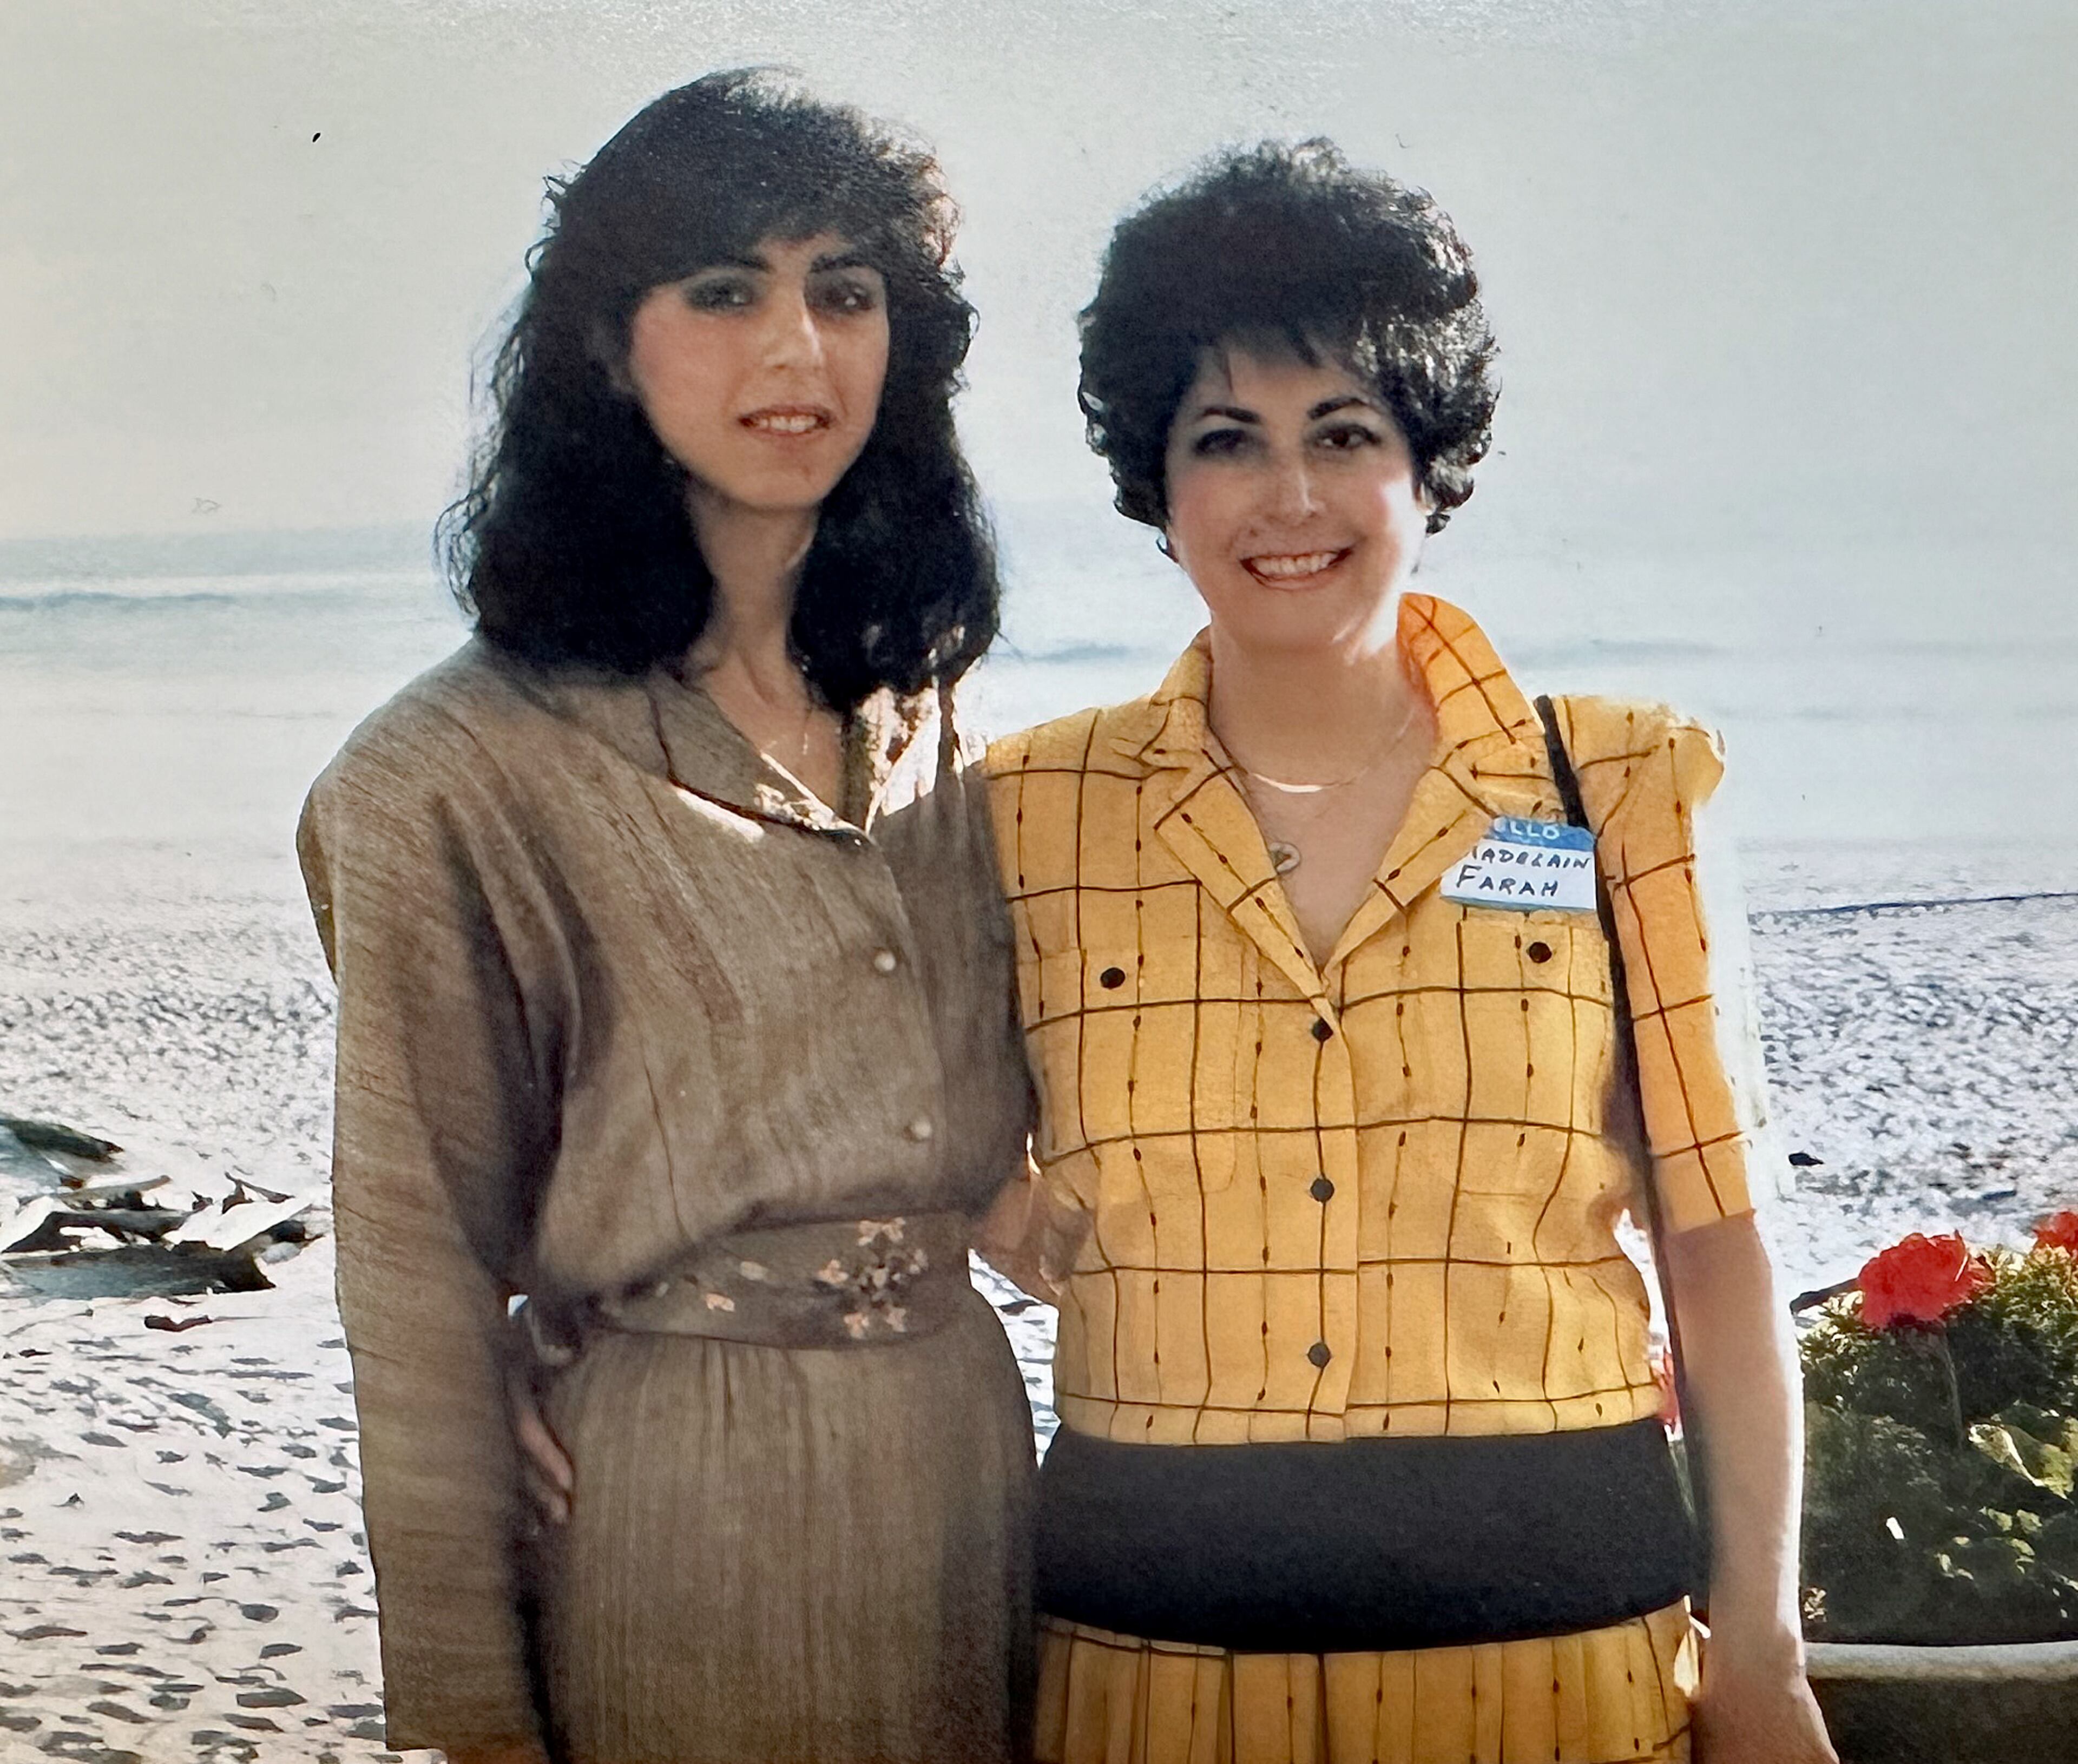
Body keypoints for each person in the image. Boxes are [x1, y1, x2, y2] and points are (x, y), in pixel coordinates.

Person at [979, 142, 1837, 1763]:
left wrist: (1765, 1652)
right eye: (1226, 439)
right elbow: (879, 1117)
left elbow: (1719, 1252)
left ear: (1427, 466)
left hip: (1563, 1679)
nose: (1289, 496)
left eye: (1345, 435)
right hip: (1155, 1685)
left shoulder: (1618, 783)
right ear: (1155, 485)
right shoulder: (1024, 814)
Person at [298, 70, 1036, 1764]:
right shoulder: (446, 769)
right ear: (605, 343)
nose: (799, 350)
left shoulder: (934, 706)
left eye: (846, 292)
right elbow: (413, 1273)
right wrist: (470, 1719)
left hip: (971, 1480)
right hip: (678, 1511)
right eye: (726, 291)